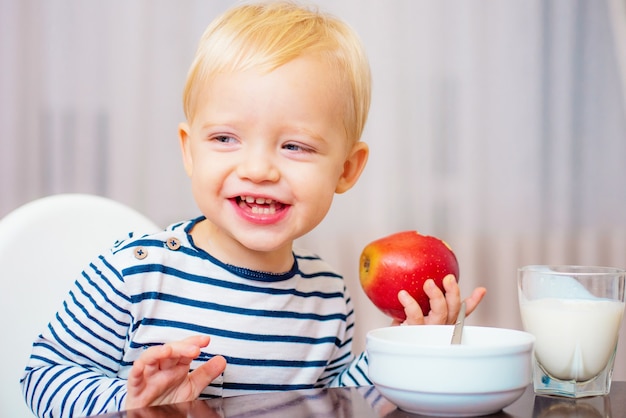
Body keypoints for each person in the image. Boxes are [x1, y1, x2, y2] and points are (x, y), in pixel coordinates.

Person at [21, 1, 486, 417]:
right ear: (189, 150)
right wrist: (129, 402)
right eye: (225, 138)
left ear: (346, 169)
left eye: (295, 146)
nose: (259, 168)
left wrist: (404, 345)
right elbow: (40, 377)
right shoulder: (136, 270)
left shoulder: (327, 297)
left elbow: (332, 402)